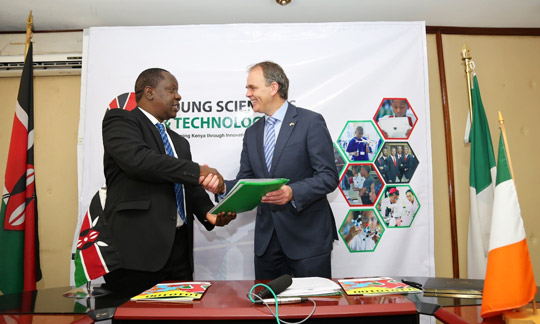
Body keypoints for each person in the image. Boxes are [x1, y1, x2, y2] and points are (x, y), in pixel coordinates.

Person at [100, 68, 236, 296]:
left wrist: (209, 213)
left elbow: (188, 187)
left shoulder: (179, 142)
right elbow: (139, 161)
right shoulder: (121, 120)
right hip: (135, 255)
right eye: (172, 90)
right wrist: (198, 171)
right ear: (149, 92)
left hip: (179, 254)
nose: (179, 96)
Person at [202, 61, 339, 280]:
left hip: (307, 240)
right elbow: (246, 182)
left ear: (273, 88)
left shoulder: (310, 122)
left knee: (314, 308)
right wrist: (220, 187)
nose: (247, 94)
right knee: (269, 309)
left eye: (252, 88)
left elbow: (328, 177)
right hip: (267, 245)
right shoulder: (252, 133)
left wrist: (292, 192)